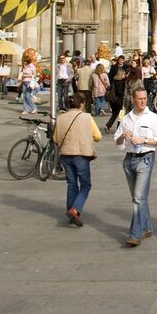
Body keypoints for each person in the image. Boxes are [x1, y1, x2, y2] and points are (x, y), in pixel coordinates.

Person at [114, 88, 157, 247]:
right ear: (133, 99)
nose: (143, 101)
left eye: (145, 98)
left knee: (138, 198)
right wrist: (123, 137)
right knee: (139, 198)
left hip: (145, 158)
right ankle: (147, 227)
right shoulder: (127, 118)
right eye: (140, 98)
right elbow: (116, 140)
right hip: (129, 159)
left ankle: (135, 234)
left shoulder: (153, 118)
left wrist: (143, 139)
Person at [53, 93, 102, 227]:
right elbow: (98, 136)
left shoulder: (60, 118)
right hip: (81, 155)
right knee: (85, 185)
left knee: (72, 184)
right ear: (81, 104)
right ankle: (75, 209)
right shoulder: (87, 117)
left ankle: (71, 212)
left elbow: (55, 139)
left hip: (65, 155)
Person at [19, 50, 39, 114]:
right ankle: (26, 109)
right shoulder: (24, 66)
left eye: (25, 61)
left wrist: (32, 81)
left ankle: (34, 107)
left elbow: (35, 75)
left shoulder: (32, 66)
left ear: (27, 61)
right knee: (24, 96)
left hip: (29, 82)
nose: (24, 62)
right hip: (24, 81)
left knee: (27, 96)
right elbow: (22, 74)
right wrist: (20, 81)